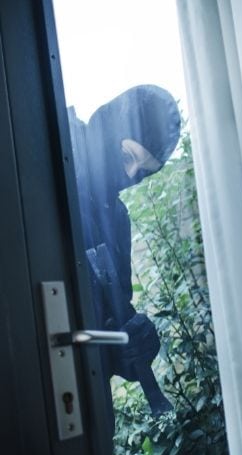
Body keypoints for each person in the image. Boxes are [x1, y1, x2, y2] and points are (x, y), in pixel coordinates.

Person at [70, 85, 181, 417]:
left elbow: (108, 319)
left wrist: (131, 348)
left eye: (144, 171)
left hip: (81, 408)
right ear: (107, 129)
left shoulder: (115, 218)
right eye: (127, 157)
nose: (132, 175)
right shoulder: (40, 161)